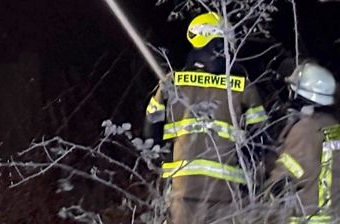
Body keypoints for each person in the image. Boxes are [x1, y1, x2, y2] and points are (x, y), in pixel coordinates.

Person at [144, 11, 269, 224]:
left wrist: (166, 166)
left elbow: (150, 134)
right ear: (218, 45)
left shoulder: (172, 83)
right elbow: (261, 142)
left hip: (181, 190)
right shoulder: (242, 88)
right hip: (227, 194)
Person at [265, 60, 339, 223]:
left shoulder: (305, 130)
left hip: (309, 217)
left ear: (301, 95)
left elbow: (284, 179)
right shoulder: (334, 127)